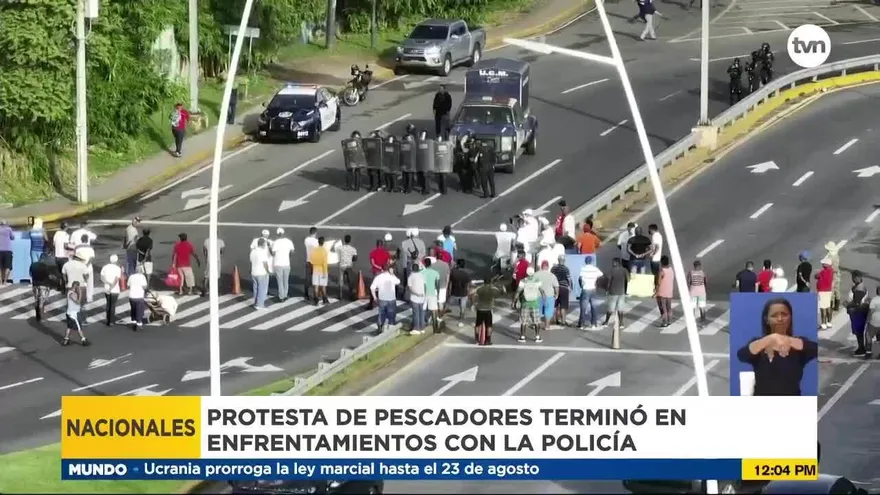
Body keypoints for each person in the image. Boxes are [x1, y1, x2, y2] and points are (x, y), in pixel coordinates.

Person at [736, 297, 819, 395]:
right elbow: (742, 355)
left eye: (784, 314)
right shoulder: (759, 345)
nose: (780, 319)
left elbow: (815, 349)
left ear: (790, 317)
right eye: (774, 315)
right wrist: (769, 339)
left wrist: (788, 340)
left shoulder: (798, 347)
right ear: (766, 320)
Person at [471, 275, 506, 345]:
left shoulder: (480, 289)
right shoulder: (493, 290)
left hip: (480, 308)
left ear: (484, 281)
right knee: (489, 325)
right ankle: (488, 340)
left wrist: (474, 304)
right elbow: (500, 294)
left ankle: (476, 339)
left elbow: (474, 294)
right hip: (488, 309)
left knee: (478, 324)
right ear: (490, 282)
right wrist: (503, 289)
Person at [515, 266, 545, 343]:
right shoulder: (537, 281)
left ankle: (522, 337)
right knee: (536, 321)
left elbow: (518, 291)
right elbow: (542, 291)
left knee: (523, 321)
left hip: (525, 303)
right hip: (535, 303)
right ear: (533, 273)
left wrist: (514, 300)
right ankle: (537, 337)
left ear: (526, 273)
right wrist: (544, 300)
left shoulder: (523, 281)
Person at [30, 253, 60, 321]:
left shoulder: (33, 265)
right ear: (44, 259)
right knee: (42, 301)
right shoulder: (45, 266)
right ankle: (41, 317)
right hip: (44, 285)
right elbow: (49, 276)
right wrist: (55, 279)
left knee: (37, 300)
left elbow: (30, 274)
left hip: (35, 285)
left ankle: (37, 316)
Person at [371, 264, 400, 333]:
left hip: (382, 299)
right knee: (391, 314)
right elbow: (398, 282)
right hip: (391, 299)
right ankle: (391, 328)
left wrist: (375, 297)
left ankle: (380, 328)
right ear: (389, 269)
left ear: (382, 269)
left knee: (381, 314)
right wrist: (393, 274)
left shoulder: (378, 277)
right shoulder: (392, 277)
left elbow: (372, 288)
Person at [846, 271, 869, 356]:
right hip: (857, 312)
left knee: (859, 331)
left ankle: (861, 348)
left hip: (858, 312)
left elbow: (857, 302)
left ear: (857, 278)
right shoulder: (857, 287)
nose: (852, 278)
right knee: (858, 331)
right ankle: (862, 347)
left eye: (853, 277)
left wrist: (847, 304)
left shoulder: (860, 288)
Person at [578, 255, 604, 329]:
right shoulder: (595, 269)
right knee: (593, 307)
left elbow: (580, 278)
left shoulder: (583, 269)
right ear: (591, 261)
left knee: (583, 308)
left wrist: (581, 285)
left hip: (585, 289)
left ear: (585, 261)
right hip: (593, 289)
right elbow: (601, 275)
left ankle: (581, 324)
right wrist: (596, 281)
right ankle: (593, 324)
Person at [604, 257, 630, 328]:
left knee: (610, 309)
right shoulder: (624, 270)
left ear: (617, 263)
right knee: (620, 309)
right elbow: (628, 279)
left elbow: (608, 281)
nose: (612, 264)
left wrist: (607, 289)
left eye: (613, 262)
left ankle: (606, 322)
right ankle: (621, 323)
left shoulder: (611, 271)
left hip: (613, 292)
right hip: (621, 292)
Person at [535, 261, 559, 334]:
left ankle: (537, 325)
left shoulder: (536, 274)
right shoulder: (552, 275)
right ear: (548, 267)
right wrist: (557, 294)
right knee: (548, 311)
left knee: (537, 311)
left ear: (541, 266)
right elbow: (556, 286)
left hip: (538, 295)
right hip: (549, 295)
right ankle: (547, 326)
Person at [62, 282, 89, 346]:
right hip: (73, 314)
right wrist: (80, 293)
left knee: (69, 327)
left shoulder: (70, 292)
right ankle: (83, 339)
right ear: (76, 287)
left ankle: (66, 339)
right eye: (78, 287)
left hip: (69, 313)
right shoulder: (72, 294)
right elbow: (78, 302)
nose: (79, 288)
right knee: (79, 327)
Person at [271, 228, 294, 302]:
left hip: (278, 264)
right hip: (286, 263)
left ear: (277, 234)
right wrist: (288, 256)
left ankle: (281, 297)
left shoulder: (276, 242)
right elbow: (292, 251)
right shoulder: (288, 241)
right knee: (285, 280)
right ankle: (285, 295)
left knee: (280, 281)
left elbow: (273, 253)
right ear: (283, 233)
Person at [100, 254, 122, 326]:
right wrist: (111, 287)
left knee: (108, 305)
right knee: (113, 305)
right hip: (115, 290)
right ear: (116, 260)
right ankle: (111, 321)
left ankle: (108, 319)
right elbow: (116, 280)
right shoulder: (117, 268)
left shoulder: (105, 267)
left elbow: (102, 277)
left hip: (106, 288)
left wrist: (107, 283)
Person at [448, 259, 471, 327]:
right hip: (463, 293)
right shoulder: (466, 274)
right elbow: (468, 284)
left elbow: (450, 283)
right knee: (462, 307)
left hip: (454, 292)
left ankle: (440, 315)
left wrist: (449, 291)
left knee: (448, 304)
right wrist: (468, 292)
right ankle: (461, 318)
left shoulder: (453, 272)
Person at [309, 237, 331, 305]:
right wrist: (325, 272)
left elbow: (311, 260)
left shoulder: (313, 250)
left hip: (315, 269)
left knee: (316, 286)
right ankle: (325, 299)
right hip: (322, 270)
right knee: (323, 286)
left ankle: (315, 300)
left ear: (318, 242)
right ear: (323, 243)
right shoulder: (324, 251)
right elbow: (325, 263)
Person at [551, 255, 572, 326]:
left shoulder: (553, 268)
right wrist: (570, 287)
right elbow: (569, 279)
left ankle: (555, 320)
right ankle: (563, 321)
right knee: (563, 305)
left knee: (555, 305)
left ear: (558, 260)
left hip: (555, 287)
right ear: (564, 261)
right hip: (564, 288)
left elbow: (551, 277)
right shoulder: (566, 269)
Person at [422, 257, 441, 333]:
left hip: (423, 294)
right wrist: (438, 293)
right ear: (430, 264)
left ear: (424, 264)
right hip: (432, 293)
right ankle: (435, 327)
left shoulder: (421, 273)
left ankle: (422, 325)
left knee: (423, 310)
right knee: (434, 311)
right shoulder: (435, 273)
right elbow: (437, 284)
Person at [250, 238, 271, 309]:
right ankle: (260, 305)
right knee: (262, 289)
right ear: (262, 244)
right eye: (264, 244)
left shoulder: (253, 252)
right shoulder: (262, 252)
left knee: (255, 288)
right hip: (261, 272)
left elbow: (251, 260)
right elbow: (265, 263)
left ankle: (256, 303)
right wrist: (268, 271)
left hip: (254, 272)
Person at [336, 235, 358, 300]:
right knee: (350, 280)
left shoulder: (340, 248)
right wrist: (352, 259)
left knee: (341, 280)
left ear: (344, 240)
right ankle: (350, 295)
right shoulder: (353, 249)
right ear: (350, 240)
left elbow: (337, 252)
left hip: (342, 265)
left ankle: (340, 295)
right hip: (348, 266)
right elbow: (355, 258)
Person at [407, 263, 427, 335]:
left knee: (416, 313)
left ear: (412, 269)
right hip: (422, 297)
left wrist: (416, 293)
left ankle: (416, 328)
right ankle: (422, 328)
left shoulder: (410, 276)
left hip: (414, 297)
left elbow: (410, 288)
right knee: (422, 312)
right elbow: (425, 286)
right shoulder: (422, 275)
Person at [687, 260, 708, 325]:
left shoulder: (690, 272)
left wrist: (690, 287)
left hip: (693, 291)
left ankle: (692, 322)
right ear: (699, 266)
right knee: (702, 307)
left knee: (692, 307)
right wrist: (705, 288)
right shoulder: (703, 273)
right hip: (701, 292)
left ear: (694, 266)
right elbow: (706, 281)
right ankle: (703, 322)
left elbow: (688, 281)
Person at [655, 255, 674, 327]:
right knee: (669, 307)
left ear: (662, 262)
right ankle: (669, 321)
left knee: (663, 308)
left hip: (662, 291)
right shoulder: (671, 269)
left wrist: (656, 291)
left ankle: (664, 322)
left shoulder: (662, 271)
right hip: (669, 291)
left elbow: (658, 283)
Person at [816, 258, 834, 329]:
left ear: (826, 264)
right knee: (828, 306)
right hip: (828, 290)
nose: (822, 264)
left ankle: (823, 323)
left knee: (823, 307)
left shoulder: (822, 272)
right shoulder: (831, 271)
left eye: (823, 263)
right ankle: (829, 322)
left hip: (822, 291)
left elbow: (816, 276)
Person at [864, 287, 880, 359]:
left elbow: (871, 312)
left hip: (874, 322)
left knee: (868, 336)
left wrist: (867, 320)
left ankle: (868, 352)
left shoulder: (874, 300)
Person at [304, 227, 319, 299]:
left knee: (307, 278)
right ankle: (315, 294)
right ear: (315, 233)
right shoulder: (316, 241)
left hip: (308, 260)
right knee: (315, 278)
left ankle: (306, 293)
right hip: (315, 262)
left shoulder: (306, 240)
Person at [0, 219, 13, 286]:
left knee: (0, 267)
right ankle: (5, 282)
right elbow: (12, 237)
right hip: (7, 250)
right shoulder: (9, 229)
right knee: (7, 266)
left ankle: (0, 282)